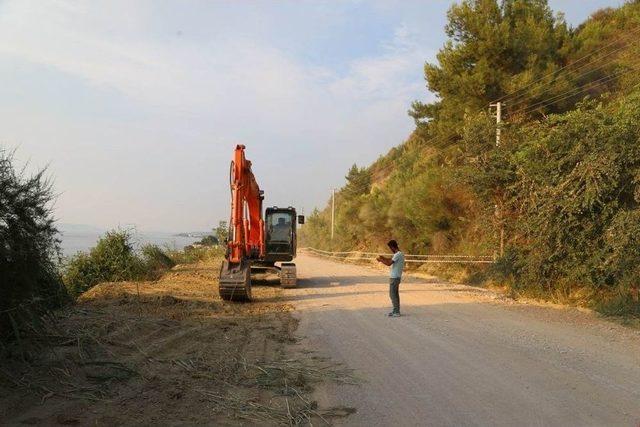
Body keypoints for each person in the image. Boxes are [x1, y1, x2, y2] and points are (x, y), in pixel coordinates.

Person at [376, 240, 405, 317]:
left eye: (390, 248)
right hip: (396, 277)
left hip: (394, 277)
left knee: (392, 295)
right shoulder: (399, 254)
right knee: (395, 294)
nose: (390, 249)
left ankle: (396, 312)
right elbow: (390, 260)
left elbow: (389, 263)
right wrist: (383, 258)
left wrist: (381, 260)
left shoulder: (397, 254)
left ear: (392, 247)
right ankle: (396, 310)